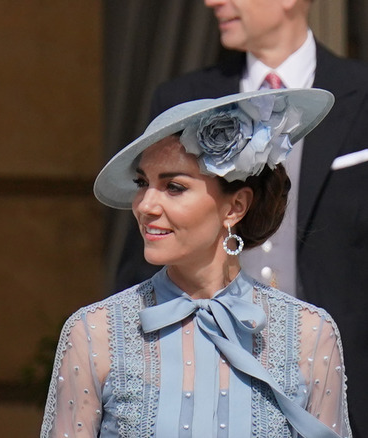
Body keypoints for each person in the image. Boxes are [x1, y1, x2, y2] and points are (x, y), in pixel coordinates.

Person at [114, 1, 368, 434]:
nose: (213, 1)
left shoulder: (362, 92)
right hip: (197, 371)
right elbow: (149, 247)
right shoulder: (180, 97)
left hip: (347, 377)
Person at [41, 89, 352, 437]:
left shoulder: (309, 333)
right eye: (142, 183)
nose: (145, 205)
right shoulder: (94, 332)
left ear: (234, 207)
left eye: (173, 186)